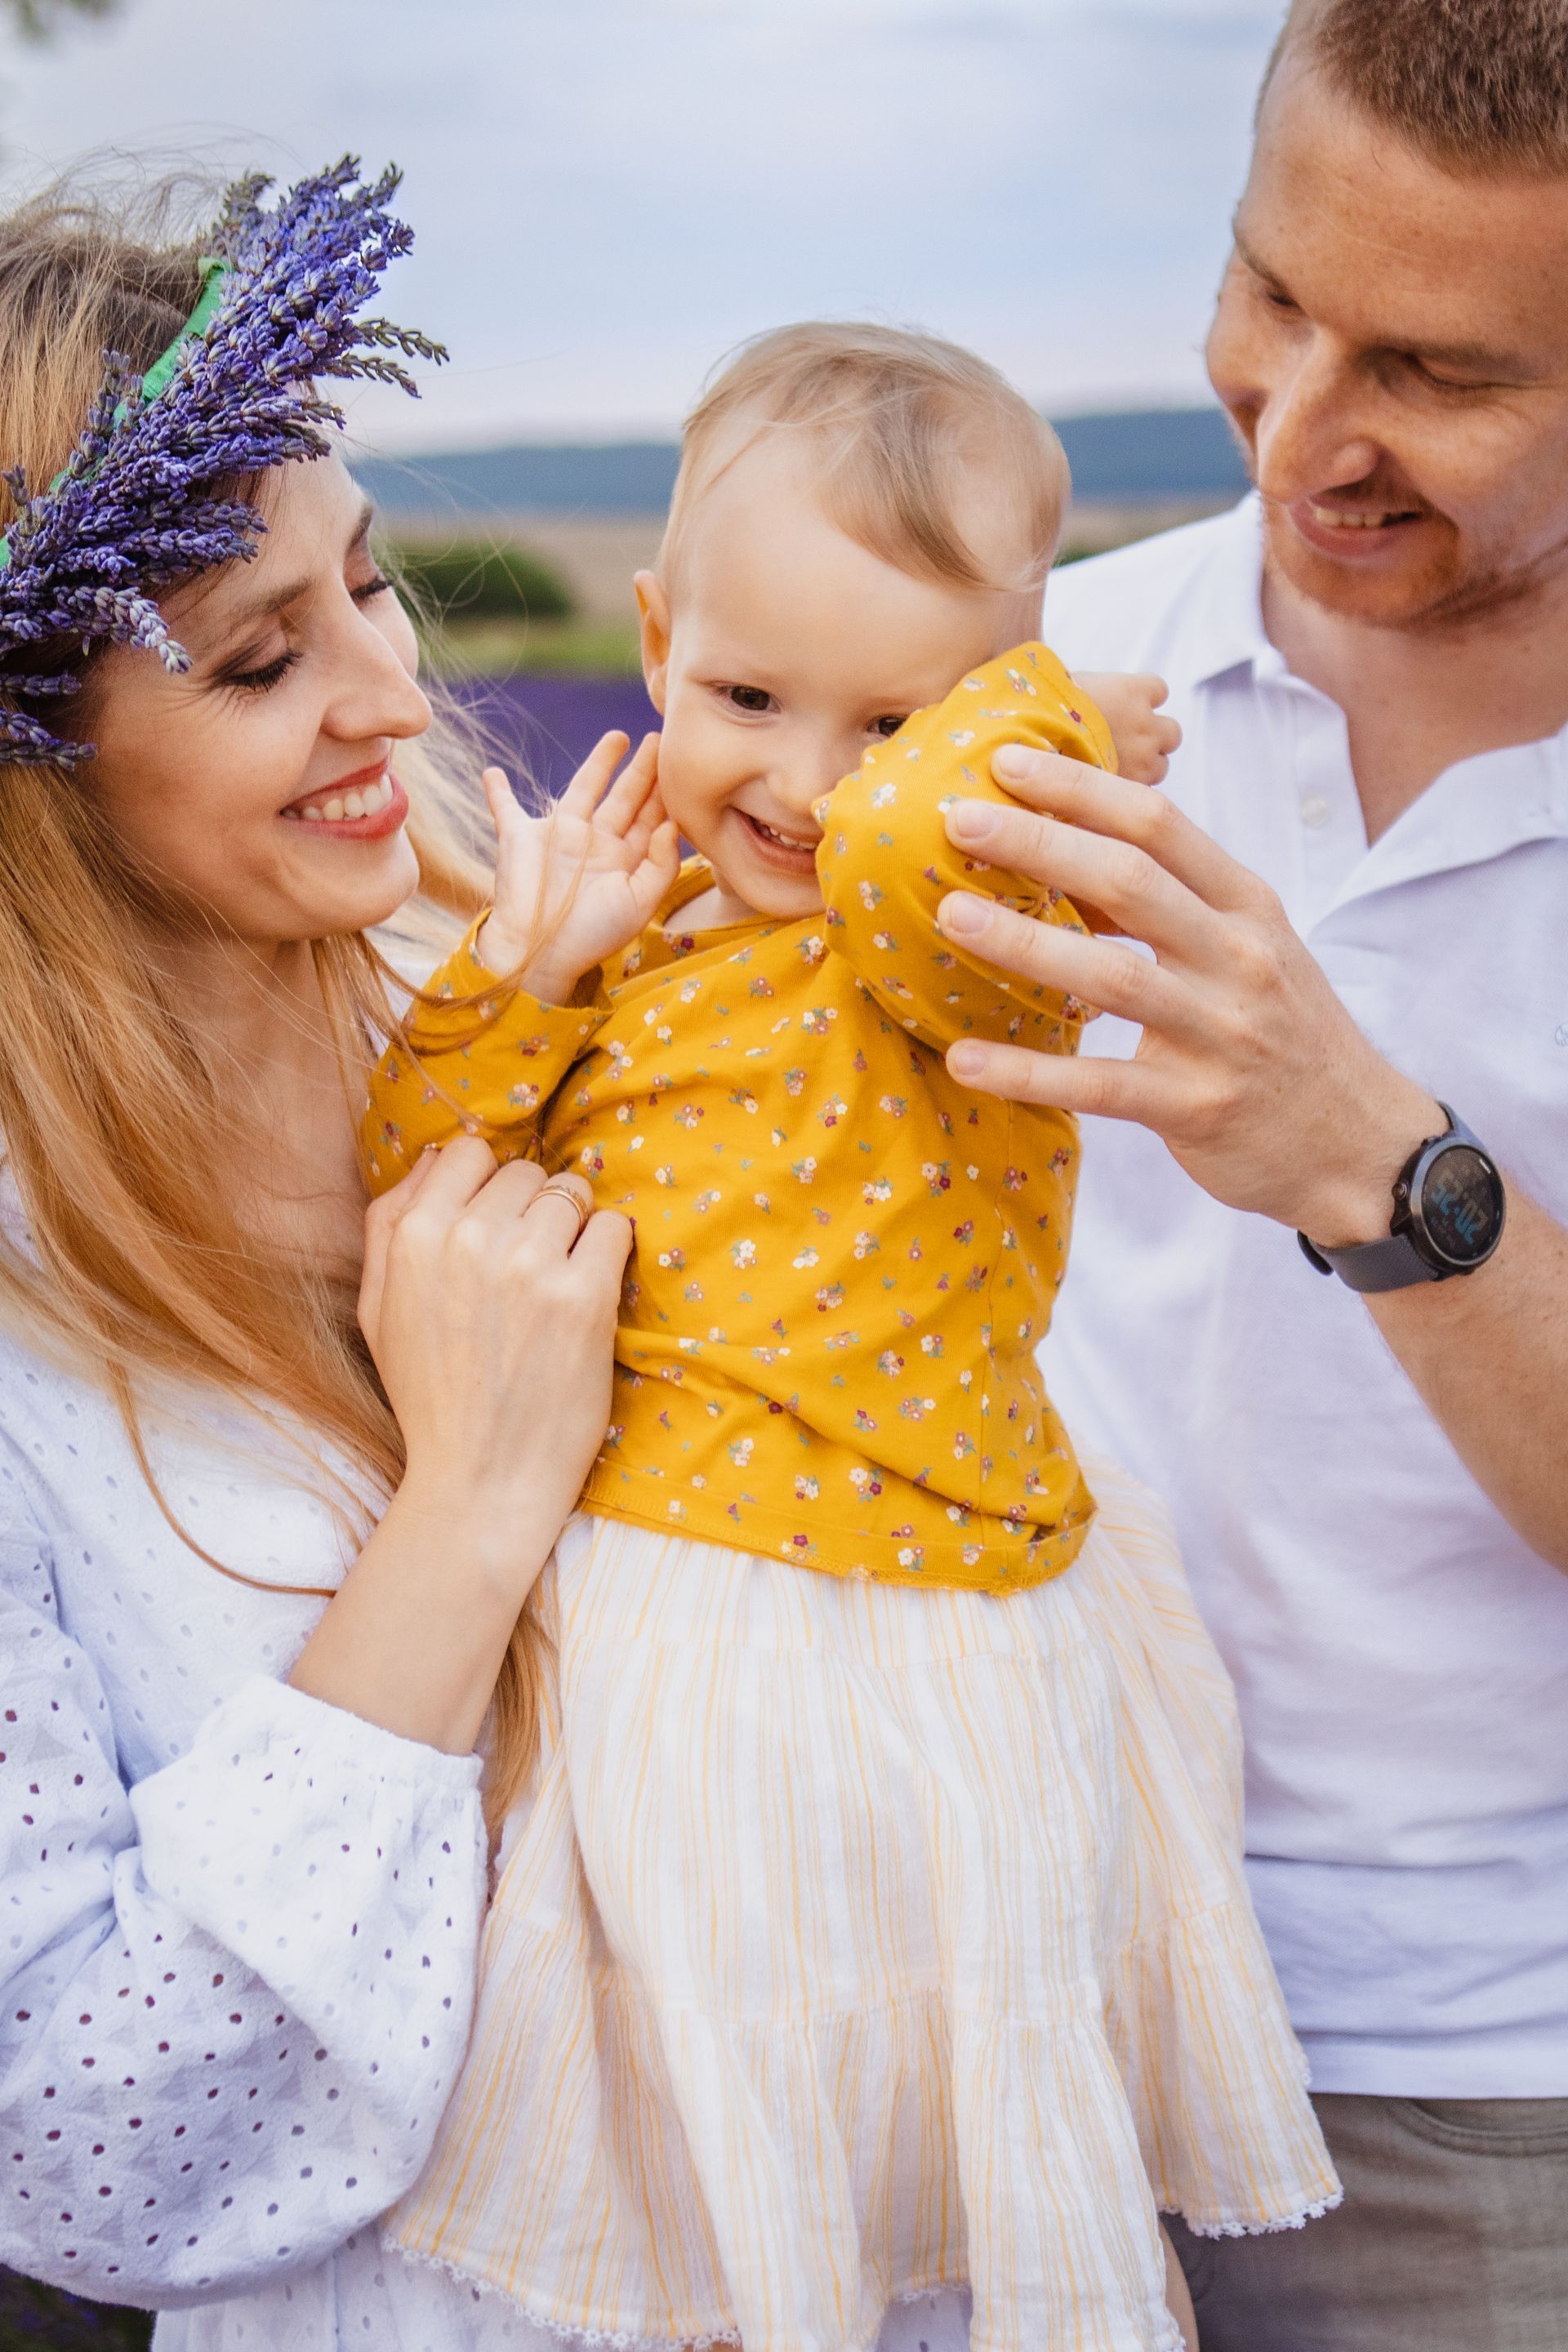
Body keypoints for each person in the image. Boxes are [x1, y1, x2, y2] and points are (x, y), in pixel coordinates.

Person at [364, 323, 1338, 2352]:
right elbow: (424, 1206)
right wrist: (518, 985)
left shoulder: (966, 929)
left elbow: (895, 848)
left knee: (915, 2135)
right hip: (659, 1614)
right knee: (705, 2146)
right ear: (650, 639)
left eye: (895, 718)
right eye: (744, 697)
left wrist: (1029, 736)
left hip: (896, 1626)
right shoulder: (628, 951)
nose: (807, 786)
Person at [924, 5, 1568, 2346]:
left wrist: (1380, 1169)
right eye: (1270, 295)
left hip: (1475, 2103)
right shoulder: (1031, 680)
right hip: (984, 2002)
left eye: (1439, 369)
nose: (1297, 434)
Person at [0, 160, 659, 2352]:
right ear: (45, 771)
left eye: (369, 587)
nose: (391, 692)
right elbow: (81, 2148)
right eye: (267, 656)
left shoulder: (592, 1006)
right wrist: (465, 1510)